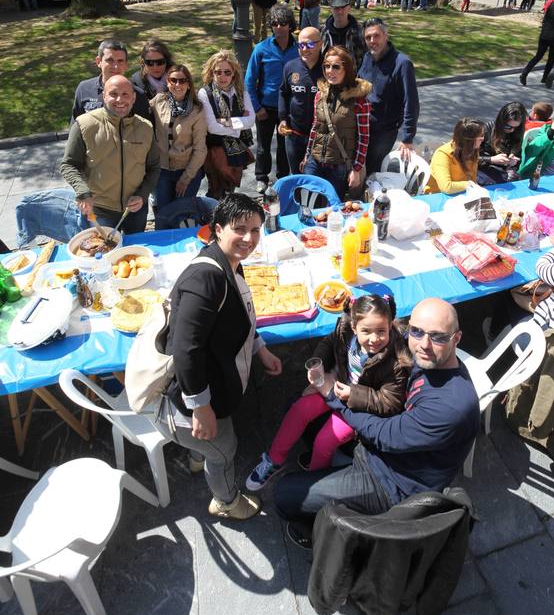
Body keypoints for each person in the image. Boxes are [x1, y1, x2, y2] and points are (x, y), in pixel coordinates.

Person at [274, 297, 480, 548]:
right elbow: (353, 333)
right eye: (416, 331)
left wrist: (332, 396)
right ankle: (330, 476)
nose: (424, 344)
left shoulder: (450, 406)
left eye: (438, 337)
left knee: (284, 495)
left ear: (456, 338)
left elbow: (385, 436)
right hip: (383, 442)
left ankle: (320, 532)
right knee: (296, 409)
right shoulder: (419, 351)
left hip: (392, 480)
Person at [158, 194, 283, 521]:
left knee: (209, 443)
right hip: (187, 398)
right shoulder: (207, 277)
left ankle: (198, 455)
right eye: (239, 229)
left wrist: (260, 348)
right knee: (224, 450)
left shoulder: (228, 263)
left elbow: (236, 316)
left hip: (210, 381)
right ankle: (226, 501)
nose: (249, 238)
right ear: (217, 229)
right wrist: (201, 408)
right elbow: (186, 350)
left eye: (256, 230)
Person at [246, 294, 412, 489]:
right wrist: (319, 365)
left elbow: (390, 402)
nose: (374, 339)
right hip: (337, 386)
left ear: (390, 325)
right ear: (354, 327)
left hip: (360, 409)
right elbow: (328, 343)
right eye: (366, 331)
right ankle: (274, 459)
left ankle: (313, 481)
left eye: (381, 331)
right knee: (300, 409)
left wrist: (353, 394)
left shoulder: (397, 362)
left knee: (325, 441)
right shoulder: (344, 331)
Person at [60, 75, 159, 234]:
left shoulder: (145, 127)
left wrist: (142, 195)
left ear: (133, 98)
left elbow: (154, 167)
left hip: (136, 209)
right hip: (101, 211)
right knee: (105, 253)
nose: (120, 99)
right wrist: (82, 191)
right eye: (113, 94)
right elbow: (68, 164)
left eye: (126, 94)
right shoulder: (84, 124)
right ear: (104, 96)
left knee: (134, 253)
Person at [302, 46, 371, 199]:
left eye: (335, 67)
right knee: (306, 202)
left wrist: (356, 169)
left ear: (346, 69)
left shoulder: (360, 101)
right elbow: (315, 127)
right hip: (315, 160)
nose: (329, 71)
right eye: (326, 66)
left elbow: (364, 139)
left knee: (331, 208)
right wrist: (307, 155)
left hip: (339, 166)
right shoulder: (320, 95)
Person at [245, 4, 298, 193]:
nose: (278, 27)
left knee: (285, 146)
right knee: (263, 146)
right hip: (265, 107)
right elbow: (249, 81)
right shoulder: (261, 49)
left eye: (282, 23)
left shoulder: (299, 49)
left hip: (289, 109)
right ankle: (261, 177)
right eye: (274, 23)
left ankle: (282, 178)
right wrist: (257, 107)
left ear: (290, 25)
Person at [358, 19, 420, 175]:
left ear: (386, 36)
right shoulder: (367, 58)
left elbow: (411, 102)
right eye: (368, 37)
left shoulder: (402, 63)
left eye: (376, 36)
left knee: (373, 173)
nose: (372, 41)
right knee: (358, 169)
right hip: (362, 127)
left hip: (383, 132)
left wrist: (407, 138)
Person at [150, 64, 208, 214]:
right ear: (167, 82)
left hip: (186, 169)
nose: (178, 84)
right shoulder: (158, 101)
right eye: (173, 80)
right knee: (164, 214)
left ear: (188, 85)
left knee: (182, 213)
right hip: (162, 170)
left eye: (182, 81)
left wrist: (185, 179)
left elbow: (200, 149)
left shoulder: (197, 110)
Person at [200, 50, 255, 200]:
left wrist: (226, 122)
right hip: (214, 148)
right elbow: (212, 127)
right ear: (212, 73)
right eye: (218, 72)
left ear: (234, 73)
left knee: (230, 187)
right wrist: (238, 125)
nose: (223, 77)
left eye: (227, 72)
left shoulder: (241, 93)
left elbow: (251, 121)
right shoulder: (205, 93)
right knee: (216, 188)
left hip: (235, 148)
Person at [278, 26, 324, 174]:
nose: (305, 49)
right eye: (301, 45)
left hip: (319, 137)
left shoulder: (328, 68)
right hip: (294, 134)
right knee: (296, 174)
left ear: (321, 44)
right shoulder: (290, 67)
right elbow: (283, 92)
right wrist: (282, 119)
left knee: (314, 177)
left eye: (310, 44)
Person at [71, 39, 151, 122]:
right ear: (98, 62)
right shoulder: (84, 89)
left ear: (126, 65)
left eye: (120, 61)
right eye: (110, 60)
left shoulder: (138, 95)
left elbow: (145, 131)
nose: (115, 66)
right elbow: (76, 126)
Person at [426, 117, 485, 194]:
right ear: (469, 142)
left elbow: (472, 178)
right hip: (436, 195)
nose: (483, 140)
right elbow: (446, 187)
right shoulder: (442, 154)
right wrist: (468, 184)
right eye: (480, 138)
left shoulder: (473, 151)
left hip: (461, 193)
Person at [478, 101, 527, 185]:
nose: (511, 130)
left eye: (516, 127)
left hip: (503, 172)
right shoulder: (486, 130)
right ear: (501, 121)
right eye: (508, 126)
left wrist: (513, 162)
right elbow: (468, 158)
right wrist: (491, 160)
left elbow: (518, 158)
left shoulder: (516, 134)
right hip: (483, 170)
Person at [320, 0, 366, 68]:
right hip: (329, 74)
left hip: (353, 75)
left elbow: (366, 57)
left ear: (349, 8)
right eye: (336, 8)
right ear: (331, 9)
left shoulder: (360, 32)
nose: (340, 11)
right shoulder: (323, 31)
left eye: (343, 7)